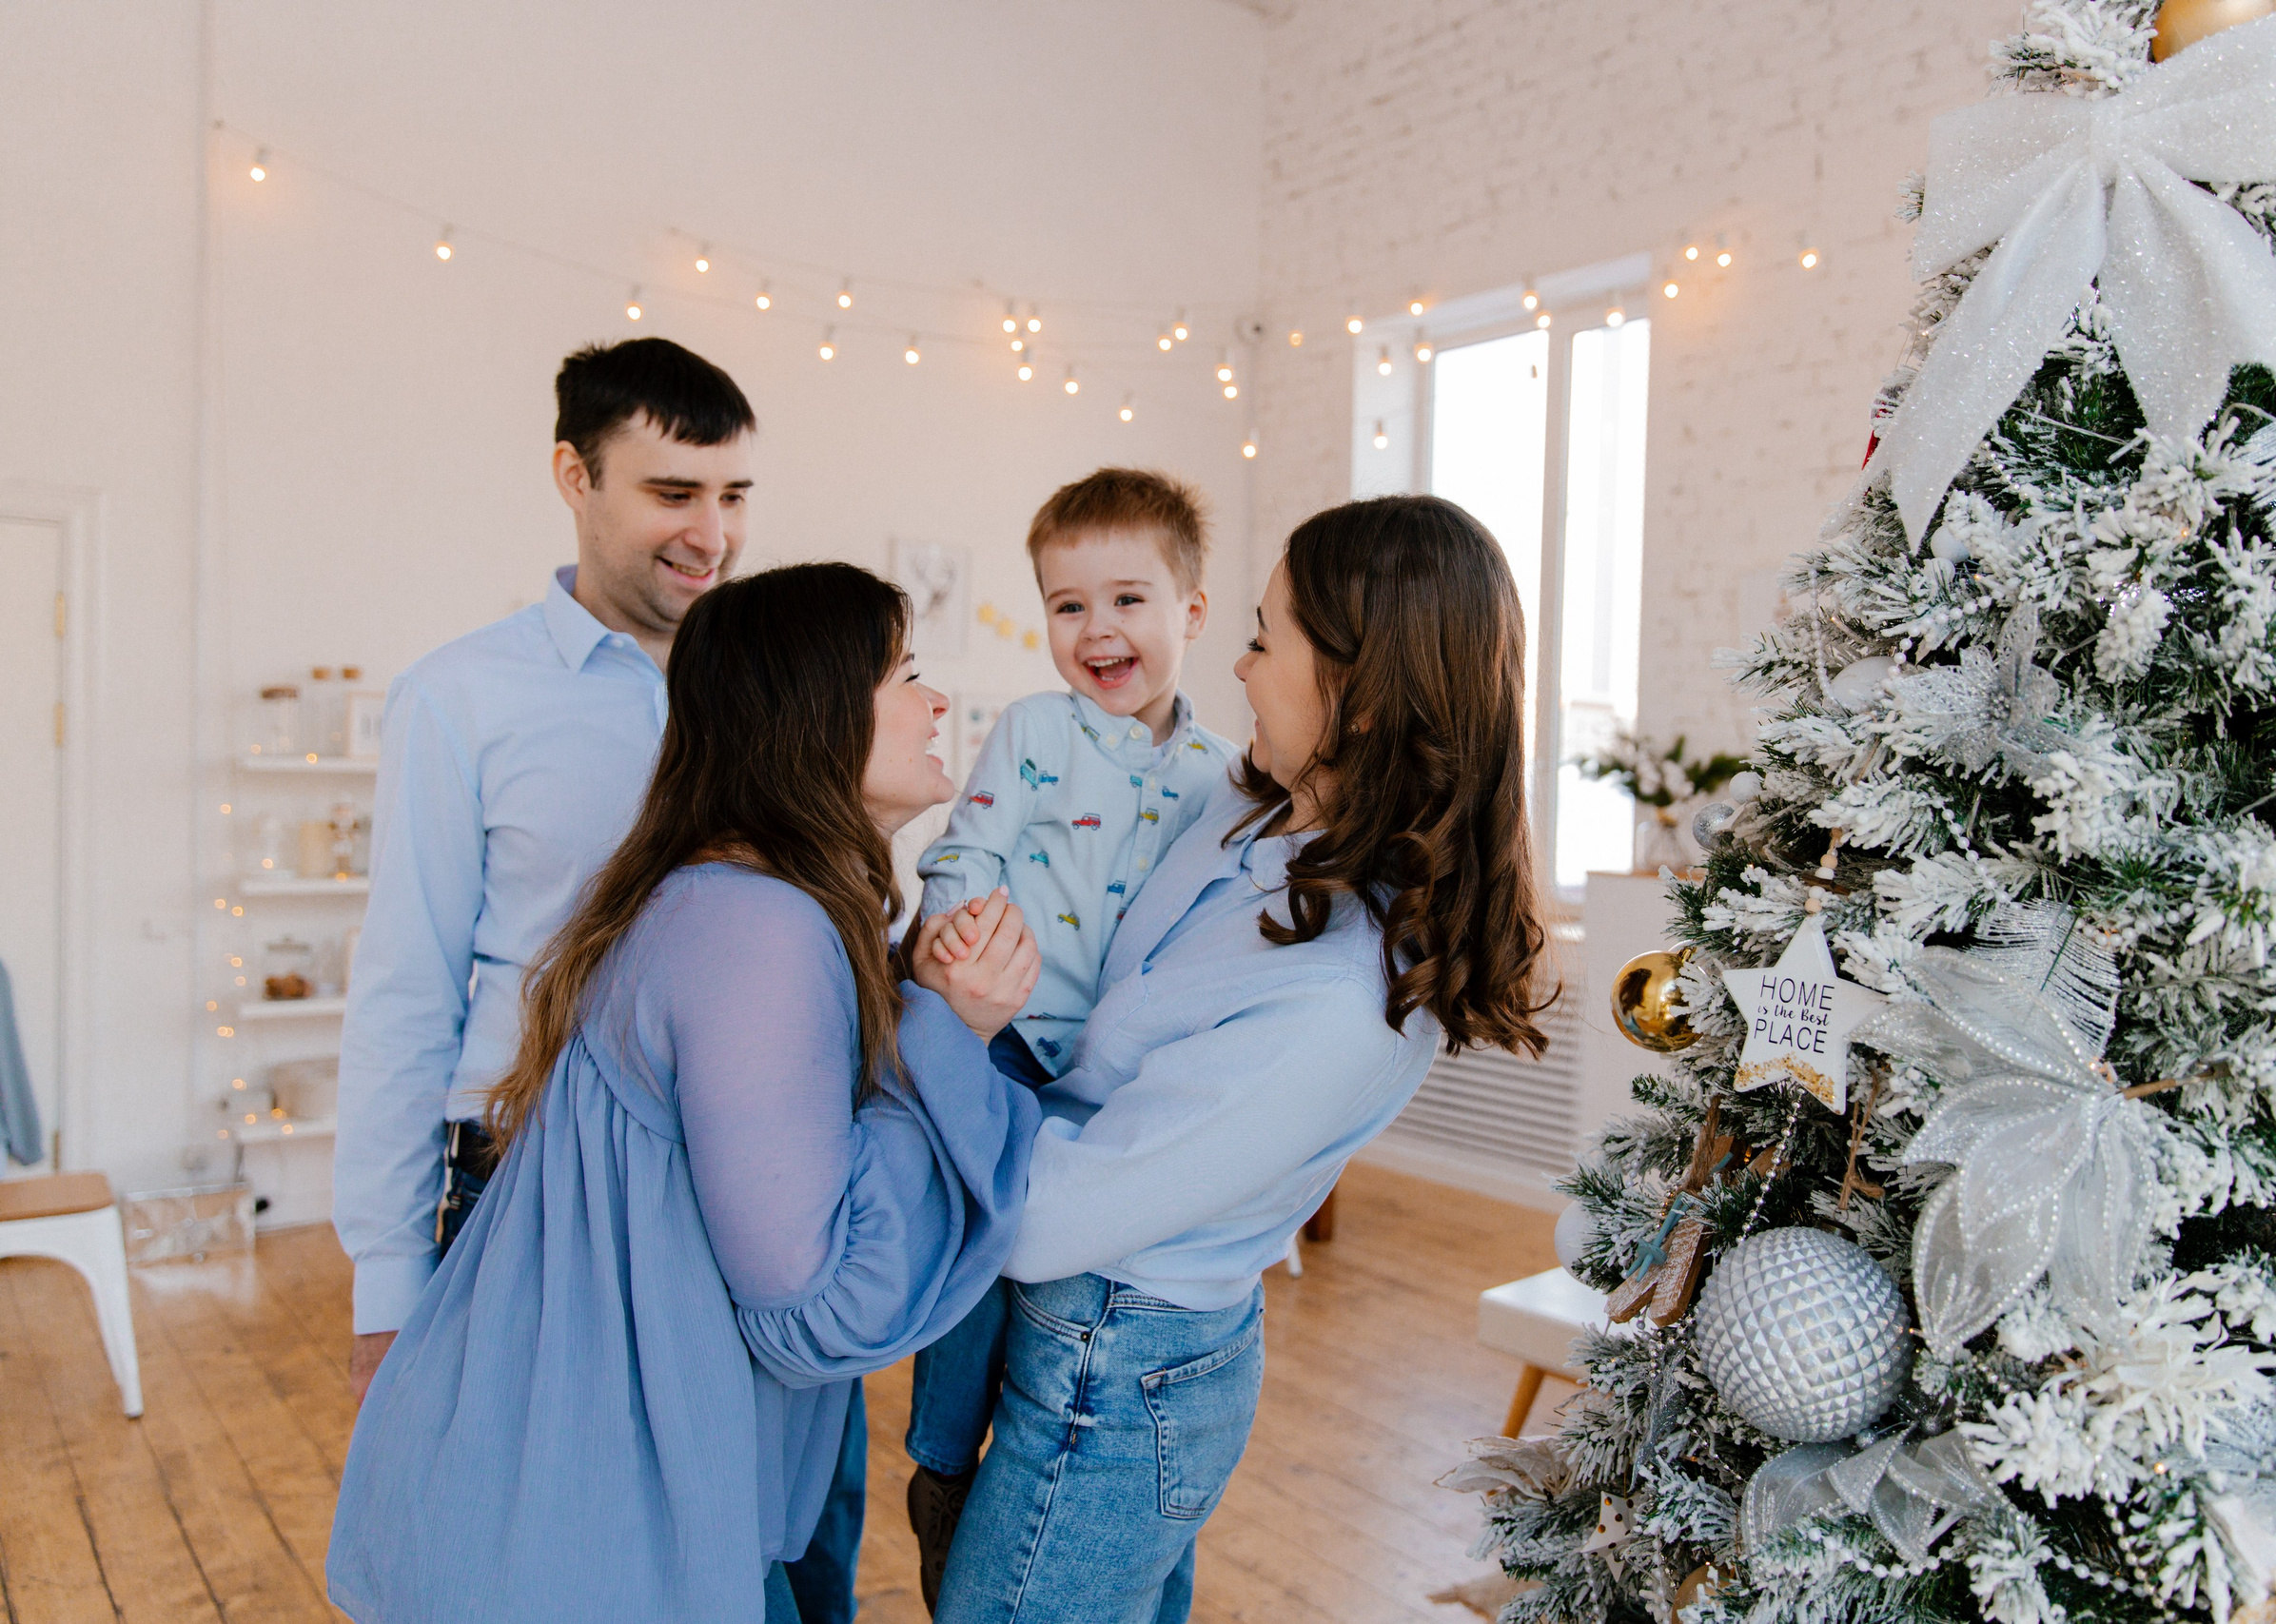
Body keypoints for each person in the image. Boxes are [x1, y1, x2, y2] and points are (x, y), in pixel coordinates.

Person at [327, 562, 1044, 1623]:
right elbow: (817, 1306)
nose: (938, 703)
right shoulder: (756, 927)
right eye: (904, 674)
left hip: (581, 1489)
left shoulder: (739, 904)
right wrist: (952, 1035)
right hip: (595, 1528)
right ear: (810, 712)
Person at [927, 495, 1553, 1624]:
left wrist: (949, 1045)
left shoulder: (1336, 996)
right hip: (1085, 1340)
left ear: (1357, 698)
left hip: (1116, 1367)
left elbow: (1048, 1223)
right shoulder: (1252, 808)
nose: (1241, 664)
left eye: (1265, 638)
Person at [899, 469, 1235, 1604]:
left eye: (1129, 601)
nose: (1098, 631)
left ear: (1190, 612)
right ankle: (943, 1466)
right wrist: (953, 934)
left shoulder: (1221, 776)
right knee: (980, 1253)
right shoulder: (1036, 731)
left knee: (1078, 1268)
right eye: (1068, 605)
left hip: (1123, 1069)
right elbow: (967, 849)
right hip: (1011, 1036)